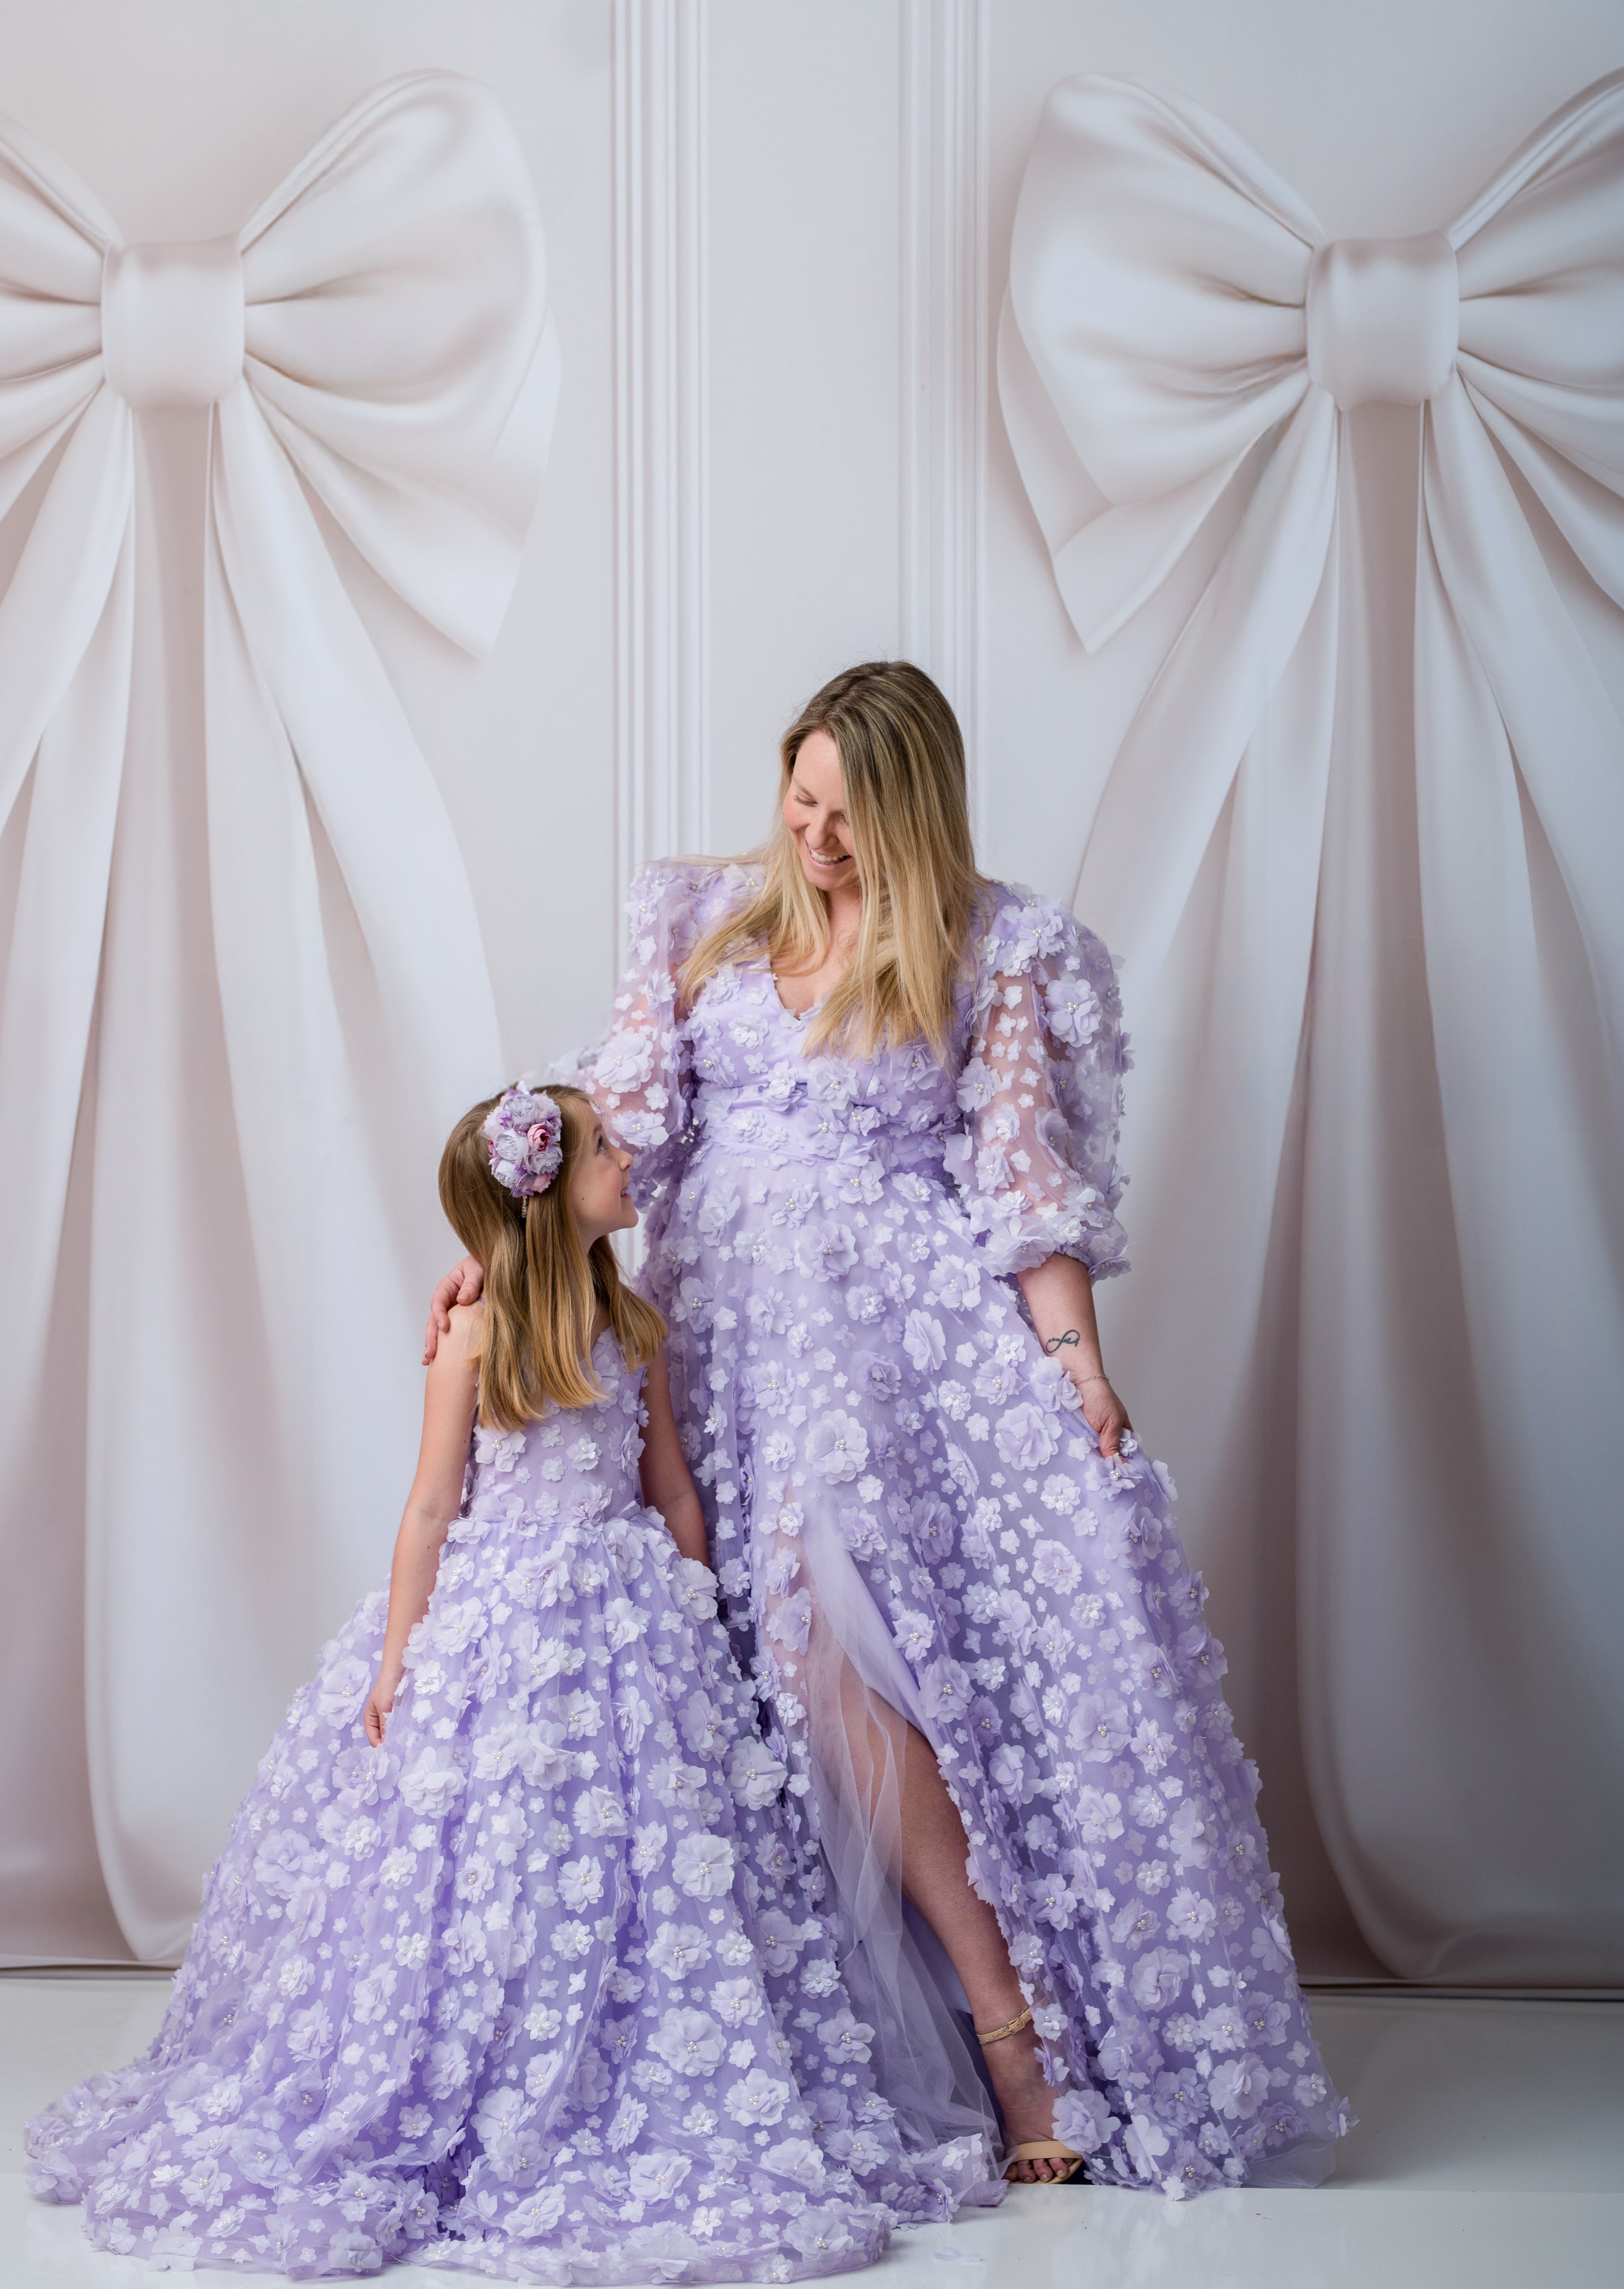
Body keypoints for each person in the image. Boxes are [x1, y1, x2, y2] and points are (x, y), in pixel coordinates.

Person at [429, 663, 1346, 2194]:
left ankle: (1014, 2026)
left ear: (915, 812)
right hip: (720, 1344)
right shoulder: (703, 919)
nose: (817, 839)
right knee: (764, 1674)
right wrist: (502, 1239)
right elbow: (623, 1128)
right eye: (799, 802)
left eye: (850, 816)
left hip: (887, 1364)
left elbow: (1023, 1193)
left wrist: (1075, 1362)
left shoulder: (993, 953)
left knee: (833, 1643)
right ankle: (876, 2032)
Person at [27, 1083, 988, 2285]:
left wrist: (703, 1614)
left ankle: (619, 2053)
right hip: (502, 1618)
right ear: (544, 1190)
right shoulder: (477, 1336)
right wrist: (398, 1661)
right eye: (602, 1148)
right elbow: (432, 1507)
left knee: (639, 1851)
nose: (629, 1158)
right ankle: (485, 2054)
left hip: (629, 1615)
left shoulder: (633, 1324)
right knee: (497, 1847)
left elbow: (672, 1488)